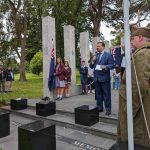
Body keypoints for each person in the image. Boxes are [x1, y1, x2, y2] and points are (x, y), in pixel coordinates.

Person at [117, 26, 150, 147]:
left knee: (138, 141)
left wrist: (128, 112)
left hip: (139, 114)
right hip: (141, 109)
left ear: (140, 38)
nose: (130, 41)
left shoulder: (142, 54)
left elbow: (138, 87)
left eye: (132, 38)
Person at [90, 42, 114, 115]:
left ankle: (108, 109)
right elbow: (91, 66)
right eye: (96, 46)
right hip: (96, 78)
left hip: (104, 78)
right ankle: (99, 108)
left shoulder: (108, 55)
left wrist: (106, 66)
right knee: (98, 95)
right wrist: (92, 61)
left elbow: (112, 65)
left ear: (103, 47)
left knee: (106, 95)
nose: (97, 47)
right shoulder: (95, 55)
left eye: (98, 46)